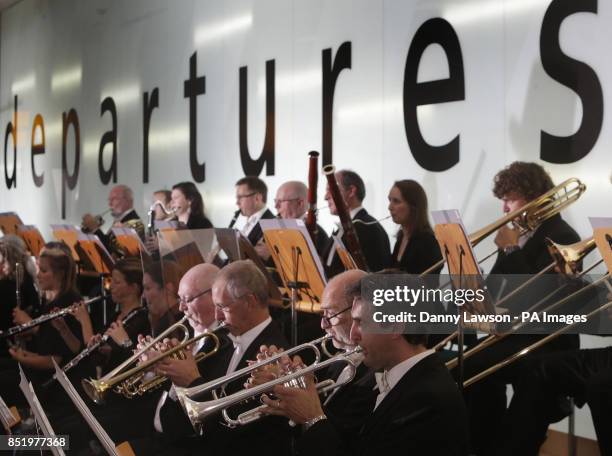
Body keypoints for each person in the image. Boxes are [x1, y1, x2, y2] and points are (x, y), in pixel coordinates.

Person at [262, 273, 469, 456]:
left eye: (360, 322)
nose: (353, 334)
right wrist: (299, 395)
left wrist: (313, 417)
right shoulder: (405, 376)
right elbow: (356, 443)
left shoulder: (426, 398)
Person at [462, 161, 581, 456]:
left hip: (547, 341)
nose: (504, 209)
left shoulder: (562, 235)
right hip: (516, 334)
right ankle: (483, 441)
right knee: (470, 365)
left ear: (535, 196)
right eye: (503, 200)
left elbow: (537, 297)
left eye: (510, 199)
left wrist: (512, 250)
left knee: (480, 367)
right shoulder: (520, 233)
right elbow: (495, 290)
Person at [154, 259, 291, 456]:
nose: (217, 317)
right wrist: (176, 379)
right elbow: (173, 427)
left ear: (250, 301)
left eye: (223, 307)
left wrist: (191, 382)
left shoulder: (276, 354)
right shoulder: (221, 343)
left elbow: (233, 436)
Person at [0, 242, 83, 406]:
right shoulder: (51, 301)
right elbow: (47, 344)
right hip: (42, 370)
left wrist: (22, 358)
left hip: (52, 381)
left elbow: (53, 361)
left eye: (43, 271)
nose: (38, 275)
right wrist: (23, 354)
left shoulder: (66, 303)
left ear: (60, 274)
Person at [323, 169, 390, 275]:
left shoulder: (367, 227)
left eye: (330, 189)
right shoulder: (342, 229)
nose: (326, 197)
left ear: (351, 191)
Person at [255, 180, 329, 260]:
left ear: (300, 203)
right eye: (275, 201)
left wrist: (272, 255)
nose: (276, 206)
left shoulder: (317, 234)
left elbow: (308, 267)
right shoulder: (276, 227)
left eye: (281, 201)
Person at [388, 180, 442, 274]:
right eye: (390, 200)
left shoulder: (428, 242)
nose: (390, 207)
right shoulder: (401, 237)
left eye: (396, 201)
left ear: (413, 206)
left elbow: (428, 284)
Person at [0, 236, 39, 357]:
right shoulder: (28, 278)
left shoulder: (6, 286)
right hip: (27, 344)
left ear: (6, 259)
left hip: (8, 347)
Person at [81, 184, 145, 257]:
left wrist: (95, 229)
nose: (110, 204)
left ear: (127, 200)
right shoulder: (120, 220)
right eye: (109, 200)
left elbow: (115, 251)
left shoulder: (135, 223)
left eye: (114, 199)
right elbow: (109, 243)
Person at [234, 176, 275, 246]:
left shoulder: (272, 224)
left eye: (240, 197)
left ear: (257, 198)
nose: (237, 202)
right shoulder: (250, 221)